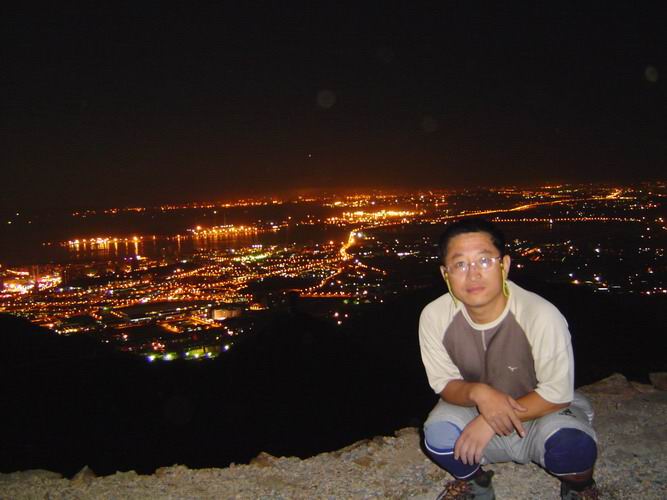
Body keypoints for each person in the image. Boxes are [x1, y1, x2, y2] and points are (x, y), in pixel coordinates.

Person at [419, 218, 599, 499]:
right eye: (460, 264)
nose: (473, 274)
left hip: (541, 411)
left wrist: (490, 420)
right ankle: (477, 483)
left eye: (484, 261)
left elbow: (556, 393)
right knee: (437, 434)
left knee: (573, 446)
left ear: (504, 264)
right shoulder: (435, 316)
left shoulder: (539, 314)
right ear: (446, 274)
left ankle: (579, 487)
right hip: (474, 409)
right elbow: (444, 383)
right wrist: (479, 393)